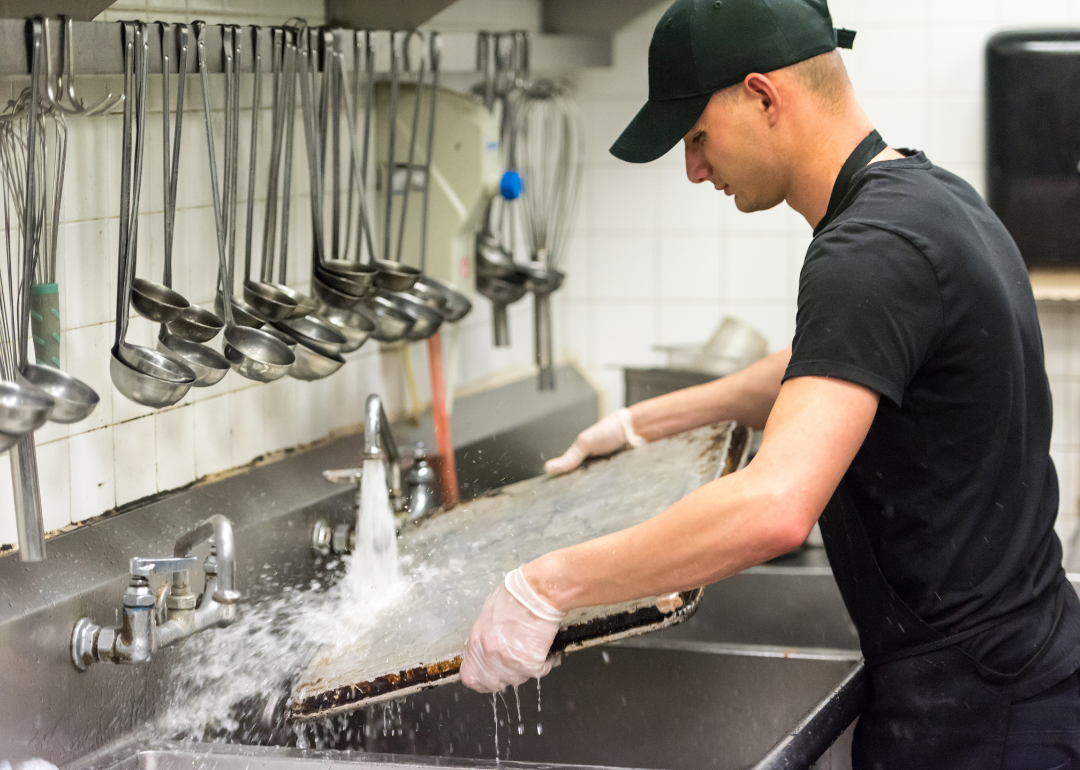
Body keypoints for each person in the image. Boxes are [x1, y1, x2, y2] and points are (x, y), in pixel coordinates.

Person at [458, 0, 1080, 766]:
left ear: (762, 95)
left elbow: (776, 509)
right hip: (1012, 672)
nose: (694, 170)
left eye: (696, 138)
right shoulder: (929, 198)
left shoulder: (867, 249)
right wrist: (643, 423)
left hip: (978, 718)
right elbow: (823, 369)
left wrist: (545, 584)